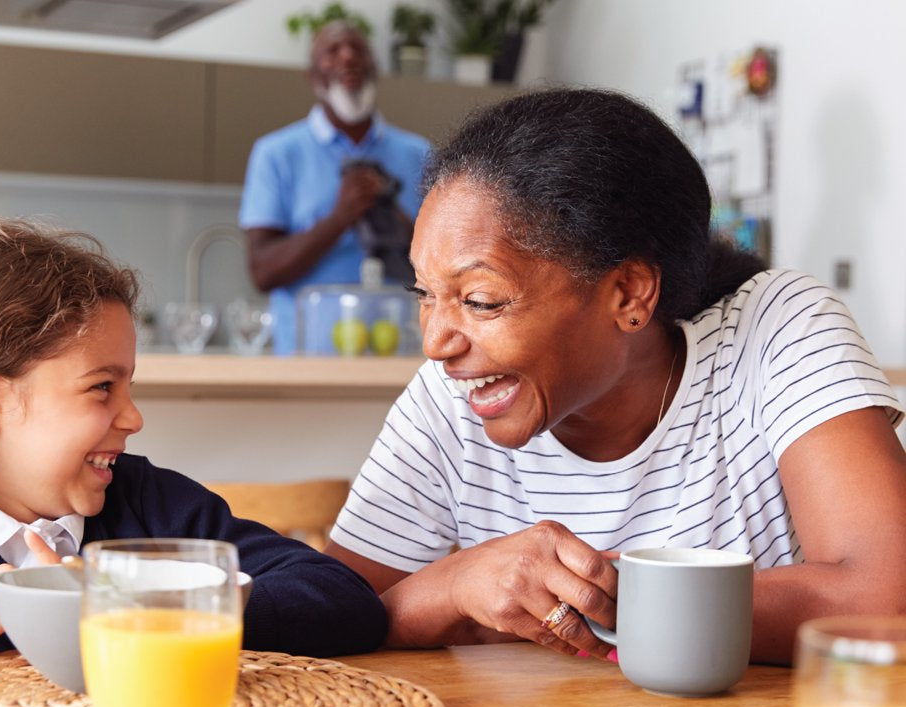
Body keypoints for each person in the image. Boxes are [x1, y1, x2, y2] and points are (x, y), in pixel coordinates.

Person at [324, 87, 906, 666]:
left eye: (481, 300)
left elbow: (886, 603)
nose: (436, 344)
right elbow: (328, 618)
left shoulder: (775, 328)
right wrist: (456, 585)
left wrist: (602, 598)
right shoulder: (451, 398)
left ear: (629, 293)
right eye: (424, 294)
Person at [0, 219, 387, 661]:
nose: (133, 418)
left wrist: (142, 610)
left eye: (128, 387)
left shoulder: (146, 501)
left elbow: (342, 598)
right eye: (101, 388)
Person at [238, 20, 430, 354]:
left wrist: (392, 218)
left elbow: (446, 268)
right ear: (312, 77)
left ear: (375, 69)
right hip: (307, 363)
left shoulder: (420, 155)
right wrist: (341, 217)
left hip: (404, 360)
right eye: (332, 51)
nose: (348, 57)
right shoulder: (277, 154)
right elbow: (262, 272)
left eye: (359, 49)